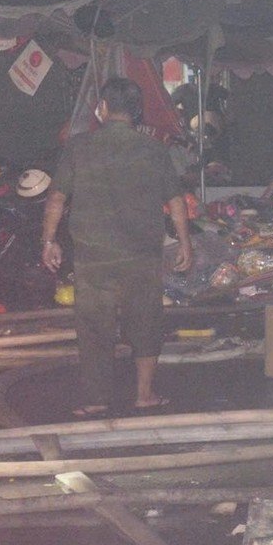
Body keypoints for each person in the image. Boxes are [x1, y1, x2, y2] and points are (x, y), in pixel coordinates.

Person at [41, 78, 192, 416]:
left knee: (94, 327)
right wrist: (185, 243)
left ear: (103, 108)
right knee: (146, 322)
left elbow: (56, 198)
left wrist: (49, 241)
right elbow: (176, 200)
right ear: (137, 112)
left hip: (93, 257)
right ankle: (144, 393)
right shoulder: (153, 149)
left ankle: (96, 400)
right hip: (141, 255)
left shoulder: (79, 147)